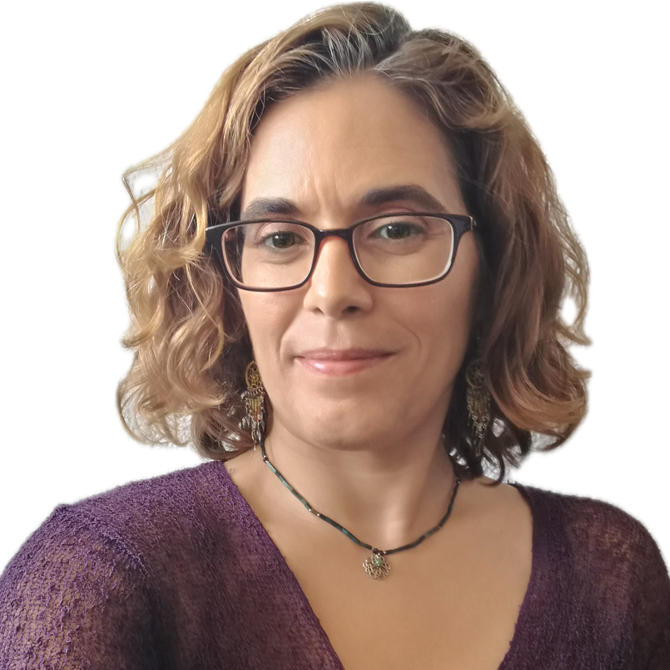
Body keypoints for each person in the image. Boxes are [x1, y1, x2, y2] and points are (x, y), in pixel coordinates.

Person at [1, 2, 668, 668]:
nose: (332, 291)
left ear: (492, 265)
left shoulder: (609, 577)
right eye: (280, 238)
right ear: (224, 287)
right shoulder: (102, 576)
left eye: (396, 229)